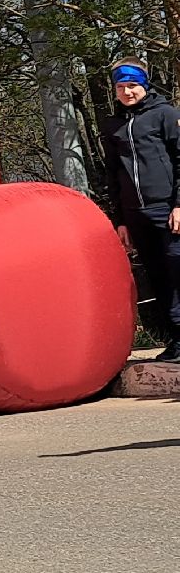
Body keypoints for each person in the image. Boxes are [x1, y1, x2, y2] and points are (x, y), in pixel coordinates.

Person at [101, 57, 180, 363]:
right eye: (121, 86)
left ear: (144, 85)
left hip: (168, 210)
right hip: (136, 215)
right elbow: (112, 174)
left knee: (177, 270)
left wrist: (178, 204)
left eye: (132, 85)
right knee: (159, 276)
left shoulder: (165, 115)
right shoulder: (113, 125)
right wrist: (120, 220)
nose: (127, 92)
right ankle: (176, 340)